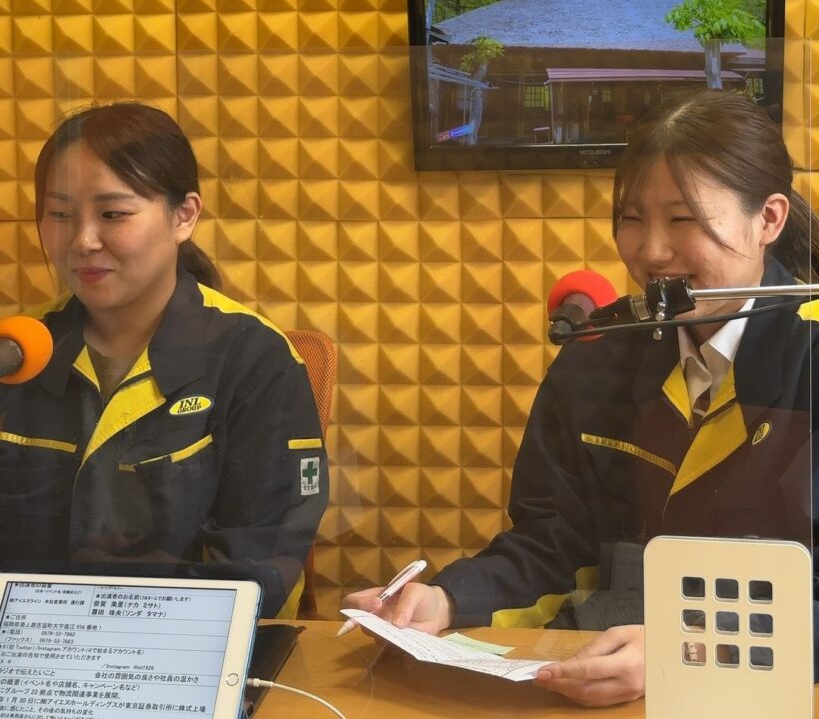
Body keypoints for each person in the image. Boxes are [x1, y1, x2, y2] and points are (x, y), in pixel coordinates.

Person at [344, 88, 819, 706]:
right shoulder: (599, 353)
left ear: (769, 220)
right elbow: (554, 542)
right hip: (603, 676)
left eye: (683, 220)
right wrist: (448, 599)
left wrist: (691, 647)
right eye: (632, 218)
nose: (651, 252)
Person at [0, 102, 328, 617]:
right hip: (29, 650)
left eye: (113, 214)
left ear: (184, 216)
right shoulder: (15, 352)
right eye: (60, 215)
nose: (83, 241)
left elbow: (259, 567)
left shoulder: (255, 359)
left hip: (181, 651)